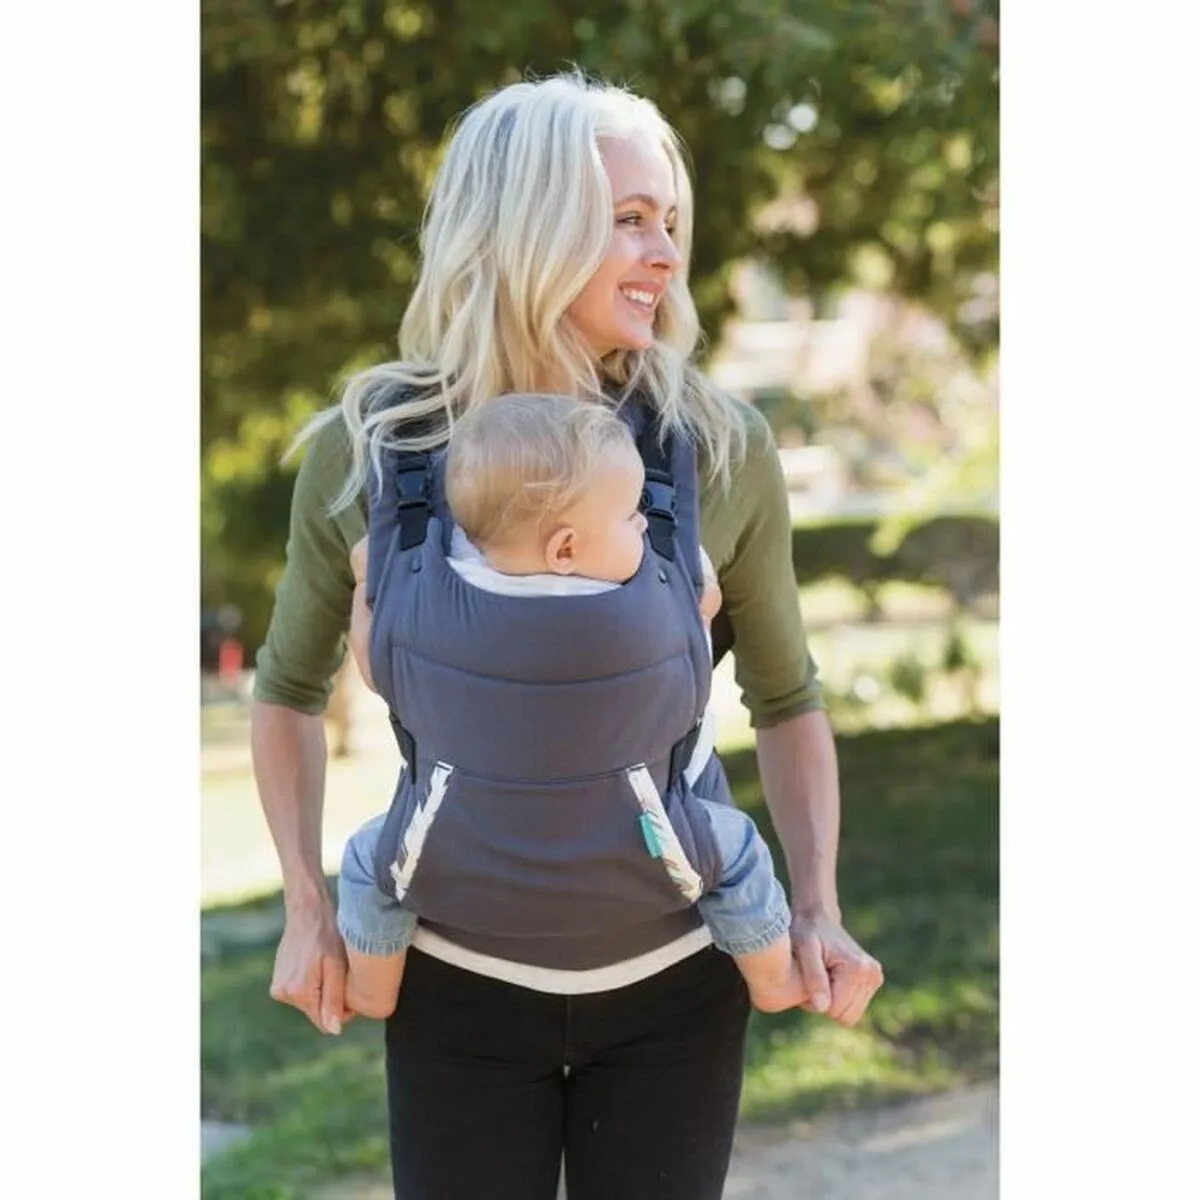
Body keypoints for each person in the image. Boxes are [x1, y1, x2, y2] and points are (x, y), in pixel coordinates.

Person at [251, 70, 884, 1200]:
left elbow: (788, 699)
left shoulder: (715, 445)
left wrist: (816, 907)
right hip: (453, 992)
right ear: (527, 228)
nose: (665, 254)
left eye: (669, 222)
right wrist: (309, 906)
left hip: (676, 989)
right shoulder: (375, 451)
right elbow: (287, 693)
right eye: (629, 219)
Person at [336, 391, 808, 1021]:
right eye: (631, 515)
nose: (643, 525)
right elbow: (698, 637)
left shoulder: (433, 595)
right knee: (738, 852)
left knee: (367, 868)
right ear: (564, 549)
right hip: (654, 857)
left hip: (447, 856)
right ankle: (773, 980)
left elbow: (377, 666)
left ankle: (373, 991)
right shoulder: (657, 613)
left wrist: (367, 583)